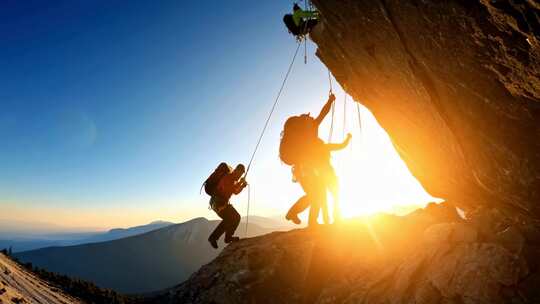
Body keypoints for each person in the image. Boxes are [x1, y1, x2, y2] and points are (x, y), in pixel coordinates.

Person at [285, 134, 352, 226]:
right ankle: (334, 219)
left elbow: (306, 166)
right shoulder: (324, 147)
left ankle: (317, 221)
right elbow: (342, 146)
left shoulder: (310, 151)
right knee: (333, 197)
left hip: (318, 177)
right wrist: (348, 138)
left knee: (320, 198)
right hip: (329, 176)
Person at [206, 163, 248, 249]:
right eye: (239, 173)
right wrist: (241, 185)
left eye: (241, 175)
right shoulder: (228, 177)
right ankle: (217, 238)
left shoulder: (231, 178)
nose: (240, 176)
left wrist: (240, 183)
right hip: (219, 203)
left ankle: (226, 237)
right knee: (232, 218)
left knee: (234, 218)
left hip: (218, 203)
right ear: (236, 170)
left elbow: (233, 190)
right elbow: (234, 190)